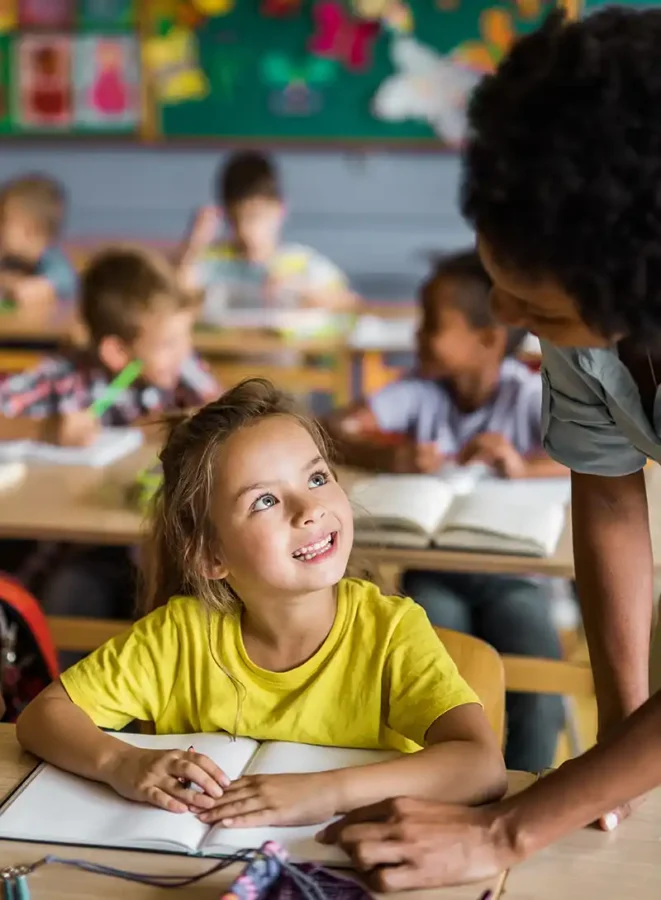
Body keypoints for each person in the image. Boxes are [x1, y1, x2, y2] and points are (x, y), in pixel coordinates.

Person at [318, 8, 661, 889]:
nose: (507, 325)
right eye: (499, 282)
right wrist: (623, 739)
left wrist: (505, 833)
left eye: (538, 311)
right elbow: (610, 492)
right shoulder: (583, 293)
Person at [16, 378, 506, 821]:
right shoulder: (180, 635)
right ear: (211, 556)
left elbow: (480, 766)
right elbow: (43, 716)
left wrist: (327, 792)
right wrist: (121, 761)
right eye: (265, 501)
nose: (309, 509)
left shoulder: (389, 633)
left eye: (317, 478)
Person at [326, 250, 566, 772]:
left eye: (432, 324)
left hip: (514, 577)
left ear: (488, 341)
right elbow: (336, 429)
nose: (417, 336)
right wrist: (391, 455)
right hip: (434, 570)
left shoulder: (525, 394)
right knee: (438, 668)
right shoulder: (419, 391)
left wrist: (523, 465)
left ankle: (529, 781)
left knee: (539, 678)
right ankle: (446, 781)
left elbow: (585, 459)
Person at [0, 245, 220, 638]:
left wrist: (148, 427)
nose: (184, 352)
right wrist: (45, 429)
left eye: (186, 336)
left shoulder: (180, 372)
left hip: (166, 554)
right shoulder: (64, 379)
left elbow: (221, 412)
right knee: (71, 595)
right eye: (169, 343)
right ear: (118, 351)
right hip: (73, 554)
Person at [177, 151, 355, 319]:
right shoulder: (212, 261)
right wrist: (194, 246)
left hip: (284, 350)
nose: (246, 230)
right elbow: (178, 297)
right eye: (235, 219)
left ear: (280, 209)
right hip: (222, 349)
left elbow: (350, 303)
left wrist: (297, 288)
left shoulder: (300, 262)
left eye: (256, 217)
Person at [0, 174, 77, 308]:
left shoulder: (50, 258)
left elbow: (69, 281)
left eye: (3, 221)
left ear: (29, 231)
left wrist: (45, 286)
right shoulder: (5, 253)